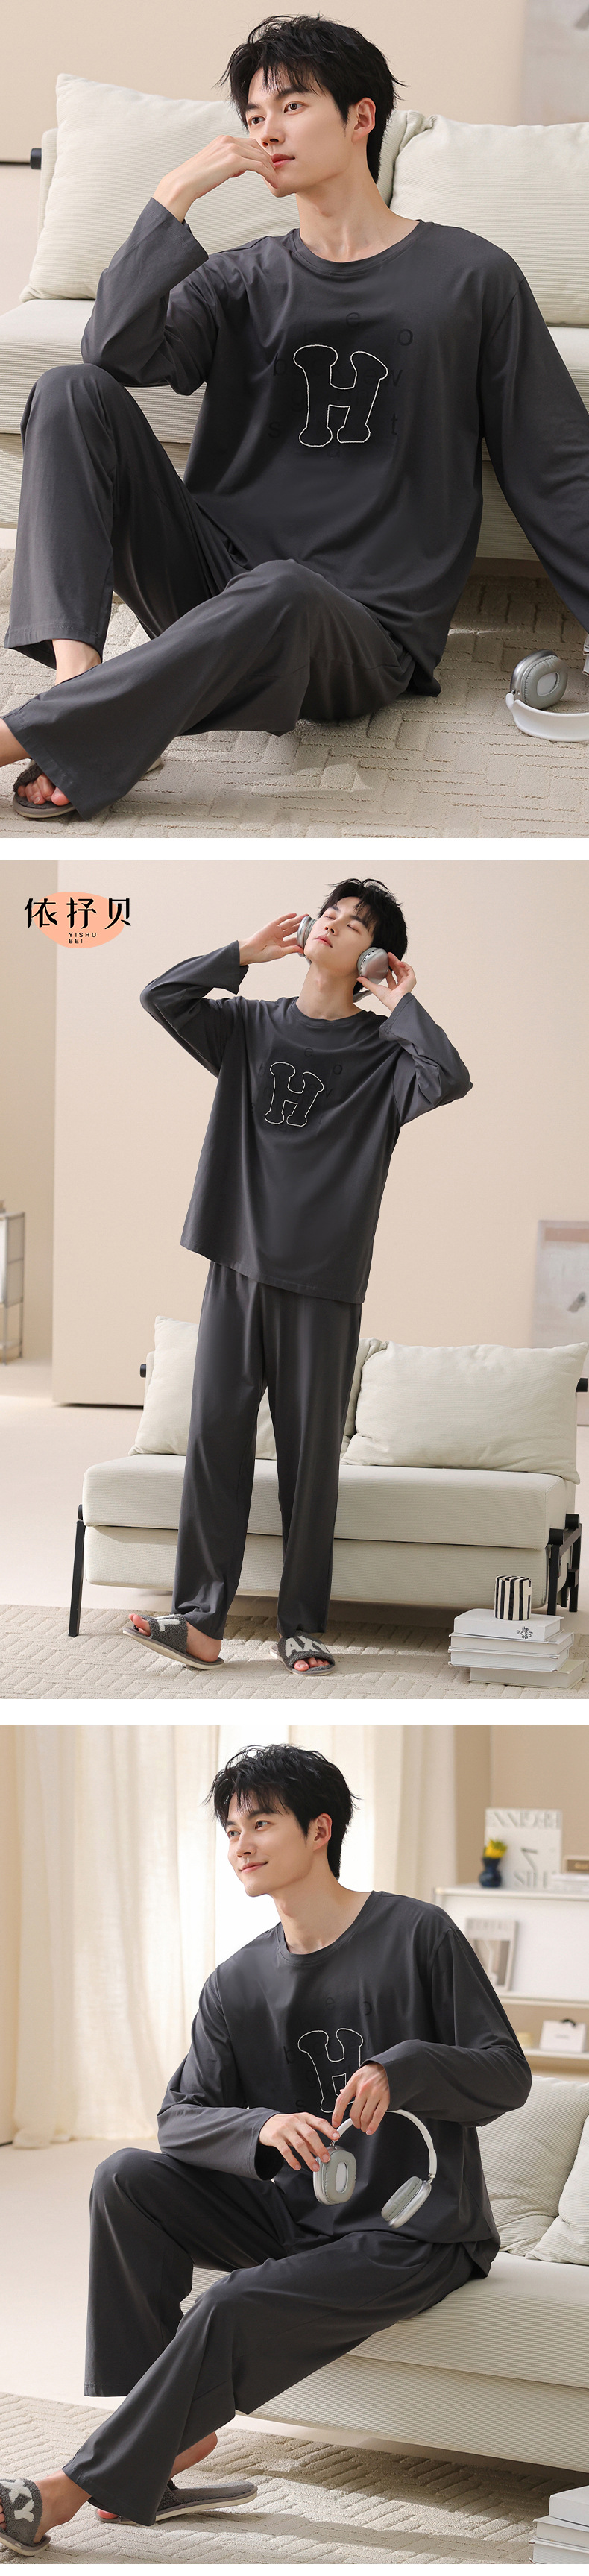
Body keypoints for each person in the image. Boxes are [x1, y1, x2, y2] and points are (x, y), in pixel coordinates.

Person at [2, 12, 589, 818]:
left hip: (361, 629)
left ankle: (43, 730)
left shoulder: (471, 276)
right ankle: (82, 700)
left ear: (360, 117)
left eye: (292, 105)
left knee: (285, 589)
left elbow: (554, 462)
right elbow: (113, 353)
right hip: (216, 583)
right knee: (70, 391)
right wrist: (174, 195)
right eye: (253, 116)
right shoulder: (239, 278)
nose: (267, 131)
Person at [0, 1742, 532, 2550]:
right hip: (297, 2214)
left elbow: (506, 2073)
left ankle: (68, 2488)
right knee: (124, 2177)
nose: (240, 1844)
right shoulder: (237, 1980)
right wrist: (260, 2126)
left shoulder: (417, 1934)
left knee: (228, 2302)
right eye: (230, 1828)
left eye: (260, 1822)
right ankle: (161, 2447)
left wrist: (405, 2068)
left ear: (320, 1829)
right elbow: (177, 2116)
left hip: (413, 2230)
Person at [125, 875, 471, 1675]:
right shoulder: (248, 1025)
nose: (333, 925)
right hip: (237, 1263)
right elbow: (162, 996)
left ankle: (302, 1625)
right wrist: (242, 954)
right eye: (331, 913)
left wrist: (401, 1001)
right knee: (214, 1442)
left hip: (323, 1279)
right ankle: (200, 1624)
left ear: (377, 958)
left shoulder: (385, 1054)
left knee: (310, 1462)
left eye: (357, 925)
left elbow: (448, 1077)